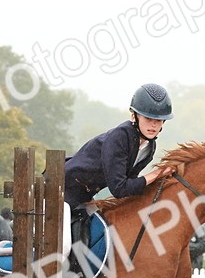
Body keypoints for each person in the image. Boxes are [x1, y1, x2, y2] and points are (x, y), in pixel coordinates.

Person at [64, 83, 177, 211]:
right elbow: (119, 189)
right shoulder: (120, 137)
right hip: (61, 190)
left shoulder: (149, 147)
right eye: (148, 118)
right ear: (134, 116)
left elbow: (131, 183)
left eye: (159, 120)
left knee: (103, 228)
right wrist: (157, 173)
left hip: (85, 196)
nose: (154, 125)